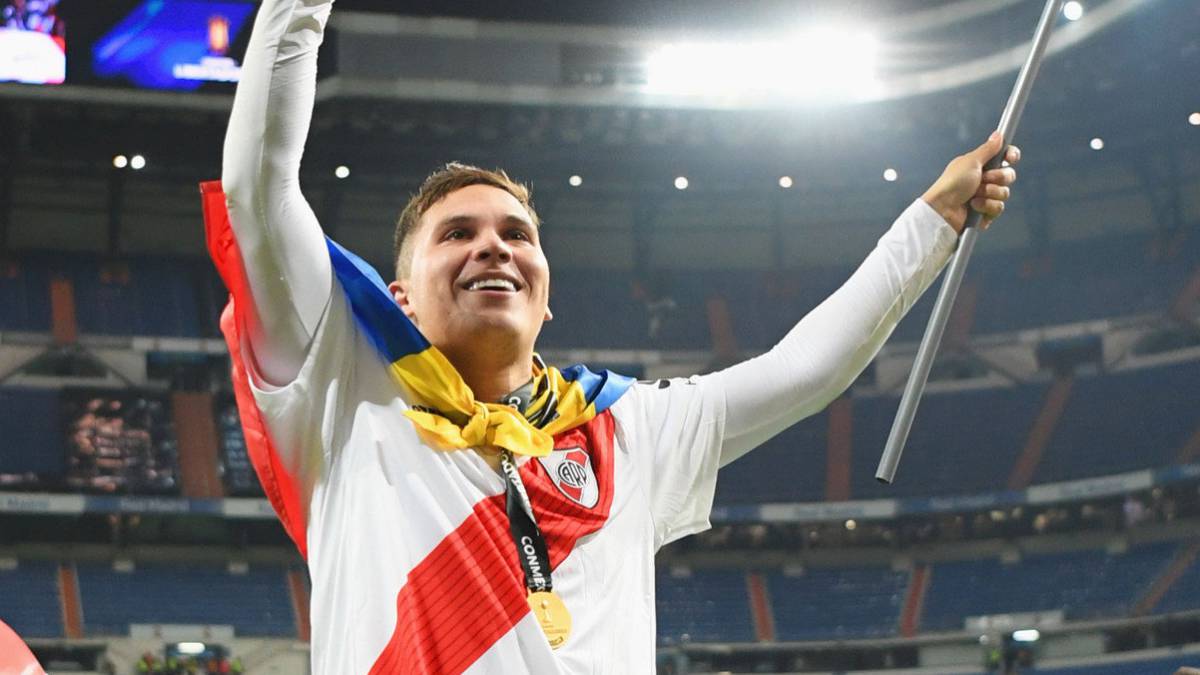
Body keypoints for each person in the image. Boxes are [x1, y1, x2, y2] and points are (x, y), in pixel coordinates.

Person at [208, 1, 1019, 672]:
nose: (495, 246)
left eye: (518, 235)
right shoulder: (342, 390)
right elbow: (259, 185)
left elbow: (807, 368)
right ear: (400, 299)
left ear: (546, 298)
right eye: (457, 234)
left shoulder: (626, 431)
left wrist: (934, 220)